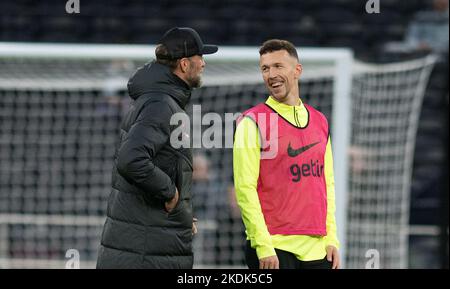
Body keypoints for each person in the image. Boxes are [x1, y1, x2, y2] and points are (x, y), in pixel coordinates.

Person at [96, 27, 218, 269]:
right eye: (199, 57)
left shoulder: (160, 100)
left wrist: (180, 216)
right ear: (184, 64)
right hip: (144, 255)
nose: (203, 63)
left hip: (148, 245)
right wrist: (170, 193)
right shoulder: (161, 104)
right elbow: (132, 160)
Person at [233, 39, 340, 269]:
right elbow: (245, 188)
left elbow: (327, 184)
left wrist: (331, 238)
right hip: (274, 247)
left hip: (318, 249)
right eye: (265, 68)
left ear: (297, 70)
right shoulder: (252, 122)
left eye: (278, 66)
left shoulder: (320, 121)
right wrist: (262, 245)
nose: (271, 74)